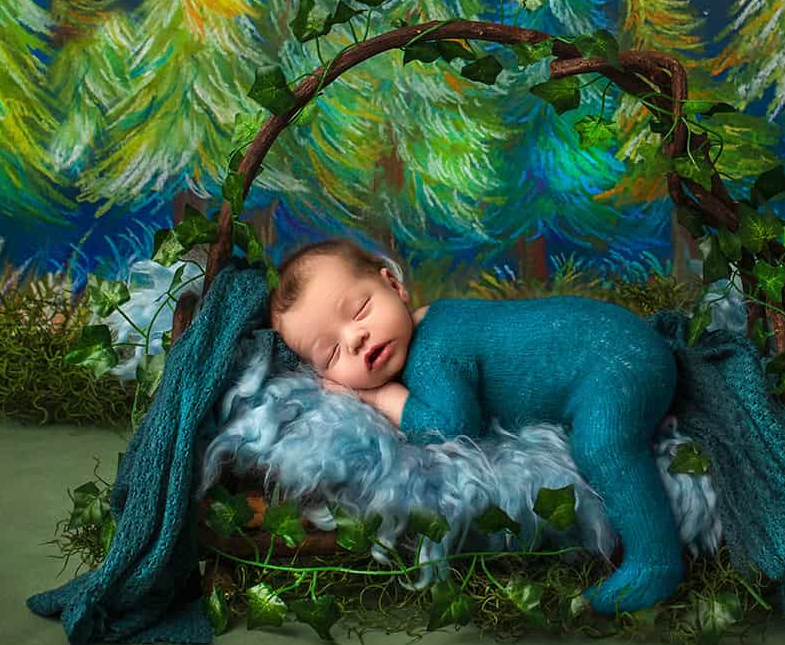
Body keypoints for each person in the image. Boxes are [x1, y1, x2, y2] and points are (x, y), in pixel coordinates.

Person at [268, 237, 685, 616]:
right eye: (333, 352)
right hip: (615, 345)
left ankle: (656, 561)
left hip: (620, 359)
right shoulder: (435, 325)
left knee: (602, 443)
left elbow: (451, 427)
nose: (356, 338)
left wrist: (375, 397)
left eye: (359, 311)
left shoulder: (434, 348)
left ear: (394, 286)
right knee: (598, 428)